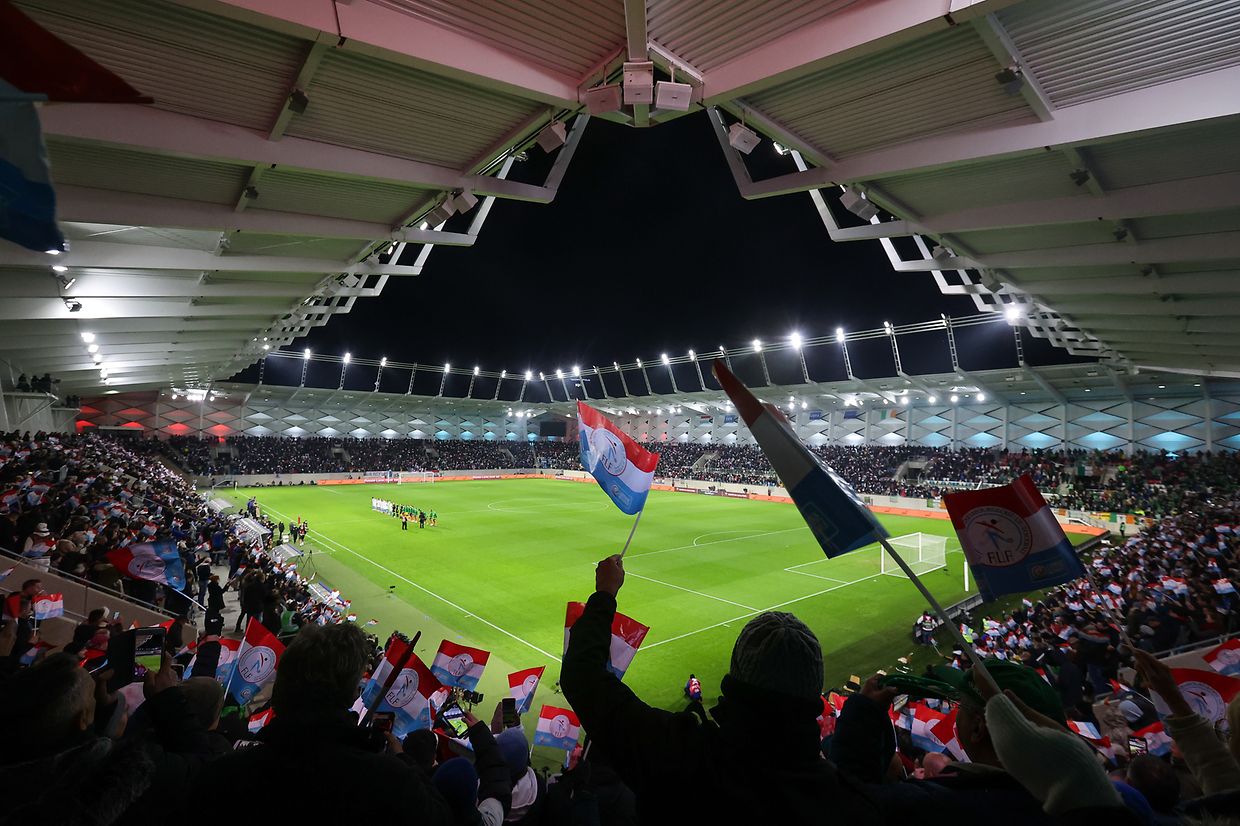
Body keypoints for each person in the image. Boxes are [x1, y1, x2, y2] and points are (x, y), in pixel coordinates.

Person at [561, 554, 879, 823]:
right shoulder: (845, 799)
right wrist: (866, 714)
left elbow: (583, 677)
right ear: (813, 690)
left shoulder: (684, 757)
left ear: (737, 676)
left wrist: (605, 593)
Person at [187, 623, 451, 824]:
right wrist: (405, 761)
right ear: (350, 694)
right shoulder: (389, 781)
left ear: (282, 686)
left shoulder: (222, 776)